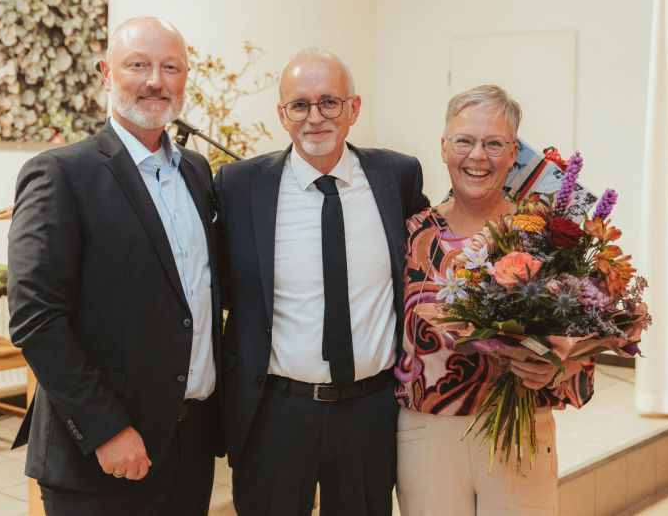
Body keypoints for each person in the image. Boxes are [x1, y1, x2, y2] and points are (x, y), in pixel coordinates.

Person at [7, 17, 221, 516]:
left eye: (171, 67)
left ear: (185, 77)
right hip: (104, 455)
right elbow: (37, 318)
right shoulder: (60, 174)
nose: (156, 81)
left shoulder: (195, 171)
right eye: (138, 65)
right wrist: (107, 430)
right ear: (106, 74)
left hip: (190, 447)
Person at [214, 48, 429, 516]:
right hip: (274, 411)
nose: (315, 117)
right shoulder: (238, 186)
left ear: (354, 108)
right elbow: (222, 287)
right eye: (300, 105)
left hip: (370, 411)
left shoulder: (396, 177)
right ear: (282, 114)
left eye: (329, 102)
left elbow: (429, 263)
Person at [394, 85, 594, 516]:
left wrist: (557, 365)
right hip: (427, 435)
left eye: (494, 143)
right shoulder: (410, 233)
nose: (477, 156)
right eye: (464, 141)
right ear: (443, 147)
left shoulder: (544, 235)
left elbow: (587, 336)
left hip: (519, 429)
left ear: (513, 153)